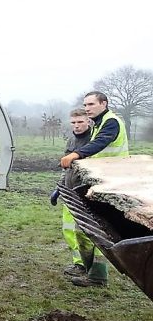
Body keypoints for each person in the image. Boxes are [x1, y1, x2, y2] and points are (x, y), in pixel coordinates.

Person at [59, 91, 130, 287]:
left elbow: (100, 143)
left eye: (91, 104)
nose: (88, 108)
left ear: (104, 103)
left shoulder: (111, 122)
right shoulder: (99, 123)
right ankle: (91, 272)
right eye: (86, 105)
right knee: (84, 229)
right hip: (98, 181)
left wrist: (76, 154)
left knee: (96, 230)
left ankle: (97, 275)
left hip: (109, 181)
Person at [50, 109, 91, 278]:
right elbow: (66, 167)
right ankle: (79, 263)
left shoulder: (94, 141)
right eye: (73, 122)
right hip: (70, 190)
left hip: (86, 192)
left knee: (85, 232)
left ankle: (92, 267)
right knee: (68, 229)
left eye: (80, 122)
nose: (77, 126)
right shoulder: (72, 140)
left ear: (88, 121)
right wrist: (59, 187)